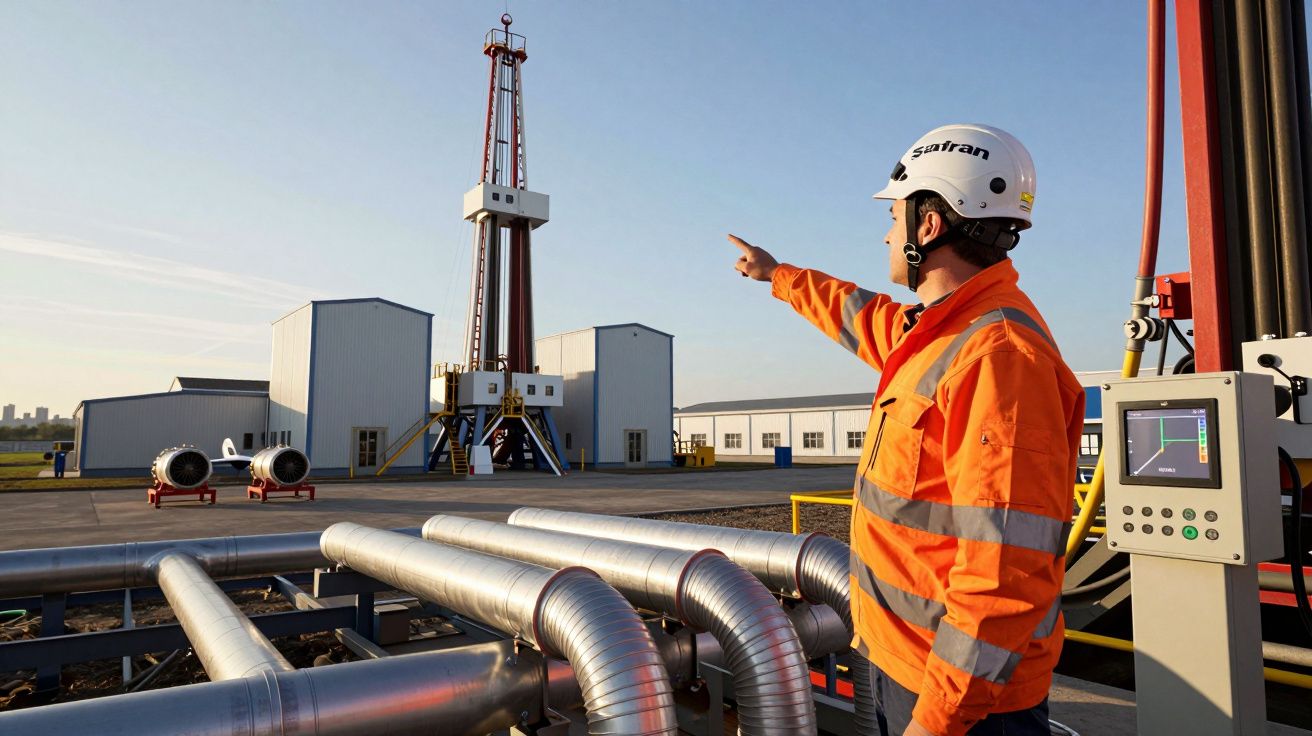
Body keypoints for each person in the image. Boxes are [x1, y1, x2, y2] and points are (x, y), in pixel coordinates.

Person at [730, 124, 1084, 736]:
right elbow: (856, 312)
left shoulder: (997, 357)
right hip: (907, 664)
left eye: (894, 217)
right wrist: (776, 275)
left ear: (929, 226)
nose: (886, 235)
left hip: (960, 703)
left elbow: (1004, 571)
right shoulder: (937, 334)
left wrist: (938, 719)